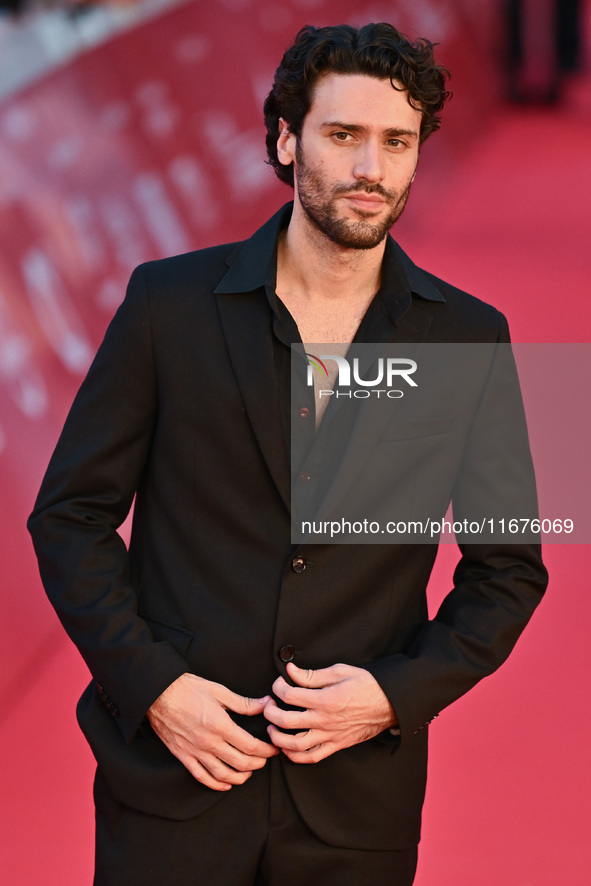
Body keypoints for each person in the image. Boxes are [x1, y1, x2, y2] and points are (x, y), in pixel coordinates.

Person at [28, 22, 548, 886]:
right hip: (175, 780)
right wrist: (155, 687)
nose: (369, 170)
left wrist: (391, 697)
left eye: (396, 142)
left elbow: (510, 568)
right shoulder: (168, 303)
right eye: (342, 136)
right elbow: (69, 517)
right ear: (284, 138)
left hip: (353, 804)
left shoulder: (470, 336)